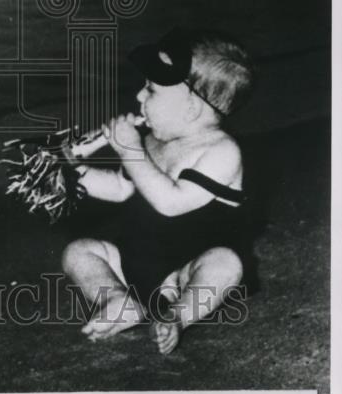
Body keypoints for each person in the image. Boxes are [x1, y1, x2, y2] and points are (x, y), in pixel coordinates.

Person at [62, 27, 254, 355]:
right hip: (137, 260)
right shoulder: (153, 141)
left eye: (151, 90)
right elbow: (121, 188)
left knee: (226, 264)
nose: (139, 97)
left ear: (192, 109)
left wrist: (130, 151)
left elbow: (171, 203)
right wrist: (73, 172)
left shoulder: (222, 151)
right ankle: (118, 299)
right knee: (79, 251)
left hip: (190, 269)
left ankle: (178, 316)